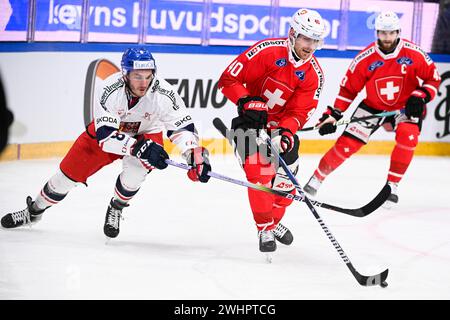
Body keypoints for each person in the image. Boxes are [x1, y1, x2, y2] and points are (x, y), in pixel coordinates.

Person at [1, 47, 212, 238]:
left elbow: (181, 126)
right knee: (64, 178)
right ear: (125, 74)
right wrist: (138, 148)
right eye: (137, 76)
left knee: (135, 175)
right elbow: (106, 137)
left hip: (146, 133)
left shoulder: (164, 92)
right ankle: (33, 212)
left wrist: (193, 153)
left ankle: (117, 207)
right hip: (108, 136)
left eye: (148, 76)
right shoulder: (109, 89)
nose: (143, 83)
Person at [303, 11, 441, 208]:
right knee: (346, 145)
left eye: (391, 33)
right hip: (373, 107)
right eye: (383, 33)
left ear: (398, 32)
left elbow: (433, 79)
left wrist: (420, 96)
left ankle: (391, 187)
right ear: (377, 32)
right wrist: (333, 115)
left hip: (404, 107)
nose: (387, 37)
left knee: (408, 137)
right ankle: (316, 179)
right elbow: (348, 90)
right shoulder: (366, 58)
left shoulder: (413, 53)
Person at [218, 8, 326, 253]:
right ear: (292, 34)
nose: (310, 46)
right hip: (249, 124)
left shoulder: (313, 75)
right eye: (306, 39)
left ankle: (274, 220)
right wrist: (246, 101)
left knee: (287, 181)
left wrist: (286, 132)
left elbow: (299, 113)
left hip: (279, 128)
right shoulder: (267, 51)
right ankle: (265, 227)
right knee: (260, 173)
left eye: (315, 41)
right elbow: (228, 79)